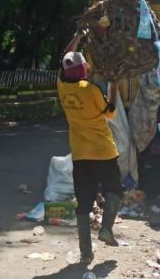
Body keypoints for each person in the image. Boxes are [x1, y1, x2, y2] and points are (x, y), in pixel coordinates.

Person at [56, 31, 122, 265]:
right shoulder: (91, 89)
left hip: (81, 154)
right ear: (83, 68)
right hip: (104, 152)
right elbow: (111, 112)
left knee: (83, 202)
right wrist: (114, 85)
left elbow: (65, 57)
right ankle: (106, 229)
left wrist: (76, 37)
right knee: (114, 190)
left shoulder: (62, 86)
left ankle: (86, 252)